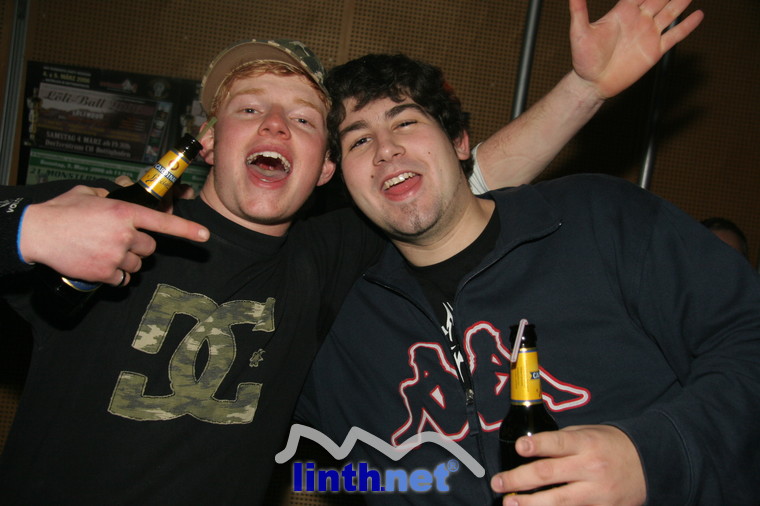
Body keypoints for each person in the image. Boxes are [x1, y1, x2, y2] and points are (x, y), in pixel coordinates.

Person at [0, 0, 704, 502]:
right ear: (209, 142)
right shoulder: (105, 217)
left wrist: (585, 89)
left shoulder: (326, 257)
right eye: (249, 108)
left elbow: (462, 178)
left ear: (325, 168)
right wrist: (27, 232)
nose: (275, 124)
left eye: (304, 119)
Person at [296, 40, 760, 506]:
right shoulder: (336, 329)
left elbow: (746, 339)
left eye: (405, 122)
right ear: (341, 179)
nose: (386, 149)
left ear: (459, 142)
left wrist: (654, 458)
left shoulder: (600, 219)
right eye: (359, 140)